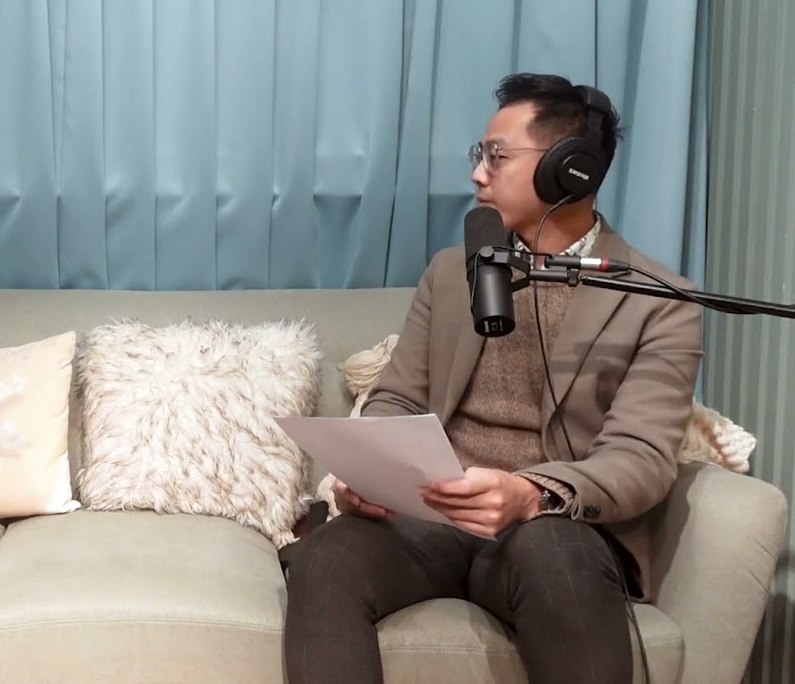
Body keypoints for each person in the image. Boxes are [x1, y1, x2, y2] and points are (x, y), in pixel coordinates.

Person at [283, 73, 704, 683]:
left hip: (548, 529)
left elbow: (641, 457)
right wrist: (371, 471)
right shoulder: (452, 271)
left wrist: (531, 493)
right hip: (431, 515)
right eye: (478, 155)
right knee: (326, 557)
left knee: (557, 556)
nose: (478, 174)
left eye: (497, 157)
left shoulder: (658, 300)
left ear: (570, 170)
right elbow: (398, 395)